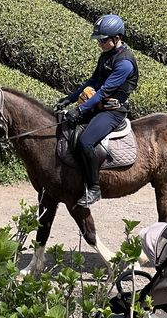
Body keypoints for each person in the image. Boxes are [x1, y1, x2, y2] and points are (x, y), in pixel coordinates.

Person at [57, 14, 139, 207]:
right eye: (99, 40)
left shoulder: (124, 63)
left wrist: (79, 109)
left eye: (103, 40)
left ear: (116, 38)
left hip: (112, 111)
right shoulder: (106, 56)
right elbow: (92, 82)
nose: (100, 43)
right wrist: (69, 98)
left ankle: (94, 188)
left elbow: (103, 91)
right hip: (97, 106)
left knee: (85, 142)